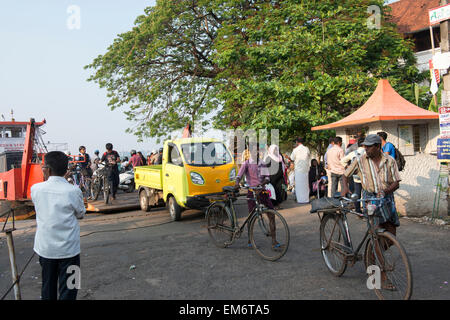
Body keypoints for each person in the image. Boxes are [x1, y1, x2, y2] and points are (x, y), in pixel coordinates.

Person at [341, 134, 401, 289]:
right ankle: (381, 276)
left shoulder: (390, 160)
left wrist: (387, 190)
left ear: (377, 146)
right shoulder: (360, 160)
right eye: (365, 146)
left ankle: (372, 253)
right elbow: (345, 175)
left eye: (368, 146)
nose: (365, 149)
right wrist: (345, 187)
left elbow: (396, 182)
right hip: (370, 199)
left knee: (391, 234)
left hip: (387, 197)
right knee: (375, 235)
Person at [31, 151, 85, 300]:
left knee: (48, 287)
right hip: (70, 250)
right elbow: (81, 214)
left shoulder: (35, 189)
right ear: (66, 170)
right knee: (71, 287)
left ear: (46, 170)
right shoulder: (74, 191)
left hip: (45, 248)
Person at [234, 143, 283, 250]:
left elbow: (267, 178)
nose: (256, 152)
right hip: (252, 192)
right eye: (254, 150)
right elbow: (239, 176)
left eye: (257, 150)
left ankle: (274, 241)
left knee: (271, 214)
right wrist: (237, 183)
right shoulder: (246, 163)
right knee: (251, 217)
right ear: (250, 152)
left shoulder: (262, 162)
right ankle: (249, 240)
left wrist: (262, 184)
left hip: (262, 191)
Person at [340, 136, 365, 213]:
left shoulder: (353, 153)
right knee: (366, 194)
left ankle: (358, 210)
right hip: (365, 177)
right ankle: (366, 210)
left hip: (356, 177)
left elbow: (342, 161)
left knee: (357, 193)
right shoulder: (366, 152)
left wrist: (349, 167)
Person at [290, 137, 311, 204]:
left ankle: (300, 200)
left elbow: (292, 158)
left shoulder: (295, 150)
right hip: (305, 169)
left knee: (299, 185)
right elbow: (309, 156)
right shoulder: (306, 148)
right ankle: (306, 199)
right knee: (305, 185)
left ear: (297, 142)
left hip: (298, 169)